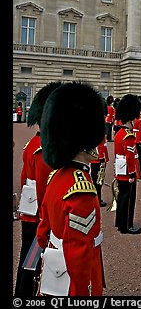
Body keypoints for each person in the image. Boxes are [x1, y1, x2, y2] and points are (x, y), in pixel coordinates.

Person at [36, 81, 106, 296]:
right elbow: (79, 256)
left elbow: (42, 233)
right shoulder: (81, 190)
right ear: (85, 141)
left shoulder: (56, 177)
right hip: (72, 280)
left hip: (54, 268)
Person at [15, 81, 62, 297]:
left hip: (30, 213)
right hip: (39, 220)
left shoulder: (32, 145)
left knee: (28, 259)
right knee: (34, 261)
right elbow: (46, 191)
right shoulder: (44, 151)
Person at [114, 94, 141, 234]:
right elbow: (130, 157)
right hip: (127, 172)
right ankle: (127, 225)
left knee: (122, 197)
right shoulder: (128, 135)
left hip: (120, 170)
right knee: (128, 199)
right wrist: (132, 174)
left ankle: (120, 223)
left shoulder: (119, 133)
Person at [90, 135, 109, 207]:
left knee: (97, 180)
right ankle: (97, 199)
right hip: (98, 161)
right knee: (98, 180)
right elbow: (99, 147)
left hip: (96, 159)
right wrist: (102, 159)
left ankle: (97, 198)